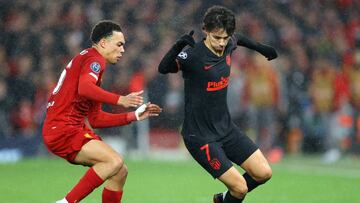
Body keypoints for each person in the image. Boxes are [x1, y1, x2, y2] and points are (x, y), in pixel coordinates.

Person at [158, 6, 277, 203]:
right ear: (205, 30)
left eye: (225, 38)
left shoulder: (229, 42)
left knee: (263, 173)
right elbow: (163, 68)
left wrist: (261, 48)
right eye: (217, 38)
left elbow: (239, 38)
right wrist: (178, 46)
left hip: (226, 129)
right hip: (200, 136)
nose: (222, 43)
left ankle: (222, 200)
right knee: (239, 188)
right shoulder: (194, 55)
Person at [42, 20, 162, 203]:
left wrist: (134, 115)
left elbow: (96, 119)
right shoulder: (94, 60)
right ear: (104, 43)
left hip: (66, 129)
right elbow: (84, 88)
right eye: (119, 44)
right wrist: (120, 99)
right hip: (63, 128)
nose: (122, 50)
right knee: (114, 161)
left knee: (120, 171)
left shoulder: (88, 63)